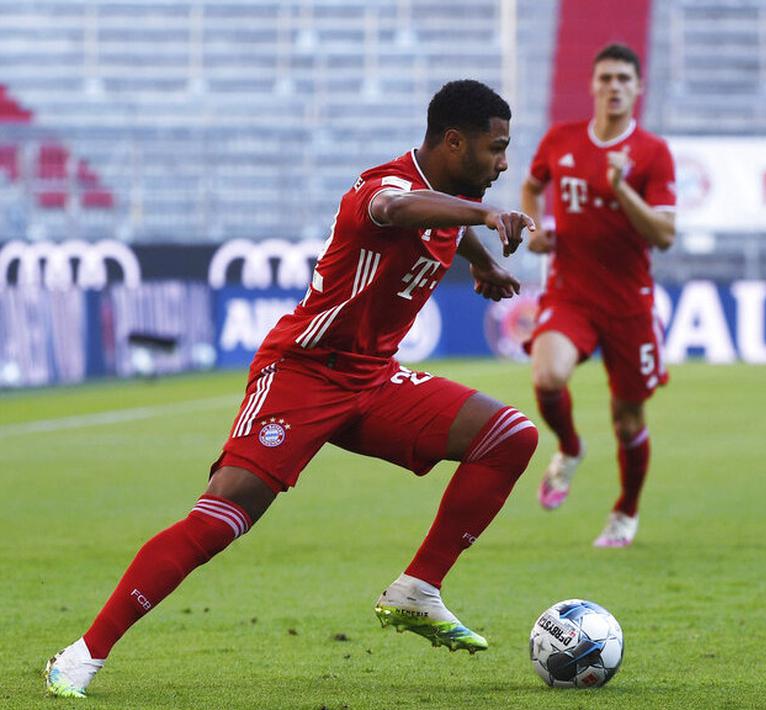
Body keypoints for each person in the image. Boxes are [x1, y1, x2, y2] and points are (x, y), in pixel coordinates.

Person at [45, 79, 540, 699]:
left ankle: (418, 589)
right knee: (222, 518)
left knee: (509, 437)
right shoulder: (380, 188)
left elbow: (440, 219)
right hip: (303, 373)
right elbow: (398, 210)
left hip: (374, 378)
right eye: (496, 149)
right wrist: (488, 216)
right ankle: (82, 655)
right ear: (452, 141)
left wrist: (482, 260)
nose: (503, 163)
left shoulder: (450, 201)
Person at [520, 43, 676, 548]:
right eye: (605, 77)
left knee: (628, 419)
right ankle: (568, 447)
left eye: (623, 79)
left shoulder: (652, 153)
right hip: (570, 293)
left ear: (637, 89)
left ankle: (625, 512)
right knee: (547, 376)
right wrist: (535, 227)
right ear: (592, 85)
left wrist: (621, 189)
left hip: (629, 304)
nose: (614, 86)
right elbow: (531, 183)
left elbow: (664, 235)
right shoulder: (561, 139)